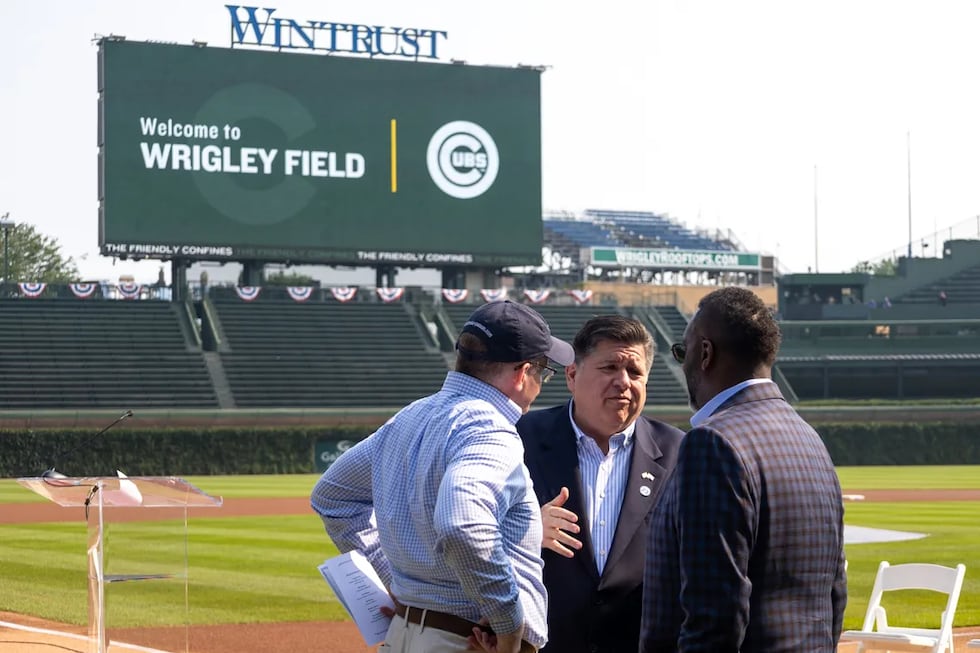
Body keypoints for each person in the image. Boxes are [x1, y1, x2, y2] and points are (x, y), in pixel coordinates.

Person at [311, 300, 575, 653]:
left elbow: (332, 498)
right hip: (467, 640)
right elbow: (462, 525)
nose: (540, 384)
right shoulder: (491, 428)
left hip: (404, 633)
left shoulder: (410, 416)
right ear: (522, 373)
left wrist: (394, 579)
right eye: (542, 372)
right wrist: (508, 621)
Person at [640, 287, 847, 653]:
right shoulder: (810, 439)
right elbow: (834, 591)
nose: (682, 362)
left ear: (705, 353)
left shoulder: (712, 442)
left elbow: (715, 615)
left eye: (681, 351)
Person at [517, 315, 684, 653]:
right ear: (572, 375)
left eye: (635, 373)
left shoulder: (679, 453)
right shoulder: (520, 440)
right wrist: (528, 530)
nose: (623, 382)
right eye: (609, 368)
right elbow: (469, 534)